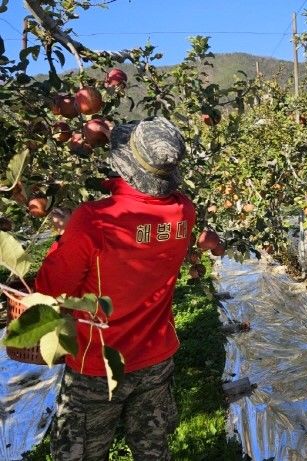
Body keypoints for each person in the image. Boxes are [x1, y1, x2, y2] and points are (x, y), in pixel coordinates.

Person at [35, 117, 196, 460]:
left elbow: (52, 289)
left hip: (97, 363)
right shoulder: (184, 210)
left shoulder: (95, 219)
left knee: (80, 453)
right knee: (152, 449)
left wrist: (65, 237)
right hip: (155, 357)